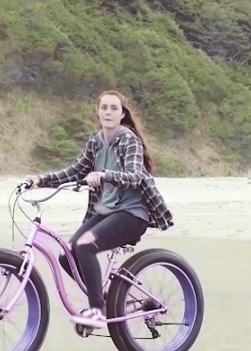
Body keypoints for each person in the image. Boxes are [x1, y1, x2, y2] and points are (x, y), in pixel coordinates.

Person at [23, 90, 173, 329]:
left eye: (114, 108)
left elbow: (135, 176)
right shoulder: (95, 142)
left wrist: (104, 175)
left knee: (85, 245)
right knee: (68, 255)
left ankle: (96, 310)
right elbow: (74, 172)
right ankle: (101, 302)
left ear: (123, 113)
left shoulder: (128, 139)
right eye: (104, 108)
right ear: (98, 111)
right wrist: (39, 180)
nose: (108, 112)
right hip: (105, 213)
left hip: (132, 214)